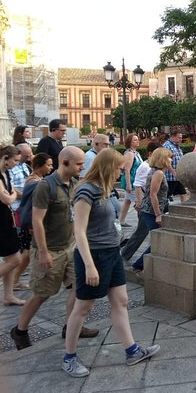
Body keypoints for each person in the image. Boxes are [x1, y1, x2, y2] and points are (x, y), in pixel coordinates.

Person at [63, 148, 159, 377]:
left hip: (111, 252)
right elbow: (79, 231)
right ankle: (69, 357)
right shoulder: (86, 191)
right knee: (84, 307)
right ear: (107, 167)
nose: (120, 173)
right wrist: (88, 265)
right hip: (94, 255)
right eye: (118, 168)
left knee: (121, 300)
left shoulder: (103, 189)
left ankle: (132, 350)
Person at [10, 146, 99, 351]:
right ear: (65, 162)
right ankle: (20, 330)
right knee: (42, 293)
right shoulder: (45, 186)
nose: (82, 167)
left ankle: (71, 326)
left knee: (79, 287)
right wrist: (42, 252)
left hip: (70, 246)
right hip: (50, 249)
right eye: (78, 164)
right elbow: (37, 221)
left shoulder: (75, 184)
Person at [12, 153, 53, 290]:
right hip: (28, 222)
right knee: (26, 254)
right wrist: (31, 225)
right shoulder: (35, 182)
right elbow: (32, 206)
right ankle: (14, 280)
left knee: (27, 253)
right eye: (48, 165)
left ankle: (15, 280)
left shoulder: (36, 179)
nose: (51, 168)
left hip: (27, 221)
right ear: (39, 166)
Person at [131, 148, 172, 273]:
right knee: (158, 240)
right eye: (169, 157)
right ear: (162, 159)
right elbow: (153, 195)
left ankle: (141, 264)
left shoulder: (157, 171)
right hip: (151, 211)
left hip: (149, 210)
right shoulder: (158, 173)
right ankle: (139, 265)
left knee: (158, 238)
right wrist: (158, 215)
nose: (171, 159)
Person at [120, 142, 161, 262]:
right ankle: (128, 255)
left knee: (142, 231)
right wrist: (139, 202)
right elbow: (137, 185)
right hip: (146, 205)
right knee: (141, 232)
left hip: (152, 204)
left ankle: (128, 253)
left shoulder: (154, 166)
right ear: (151, 153)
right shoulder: (146, 166)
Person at [0, 145, 26, 307]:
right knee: (15, 259)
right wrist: (14, 195)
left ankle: (8, 296)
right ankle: (8, 295)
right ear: (5, 159)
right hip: (1, 221)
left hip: (7, 219)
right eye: (14, 160)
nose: (16, 164)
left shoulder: (6, 172)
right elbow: (7, 199)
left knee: (11, 258)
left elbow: (11, 192)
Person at [9, 143, 33, 289]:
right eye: (26, 155)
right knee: (23, 251)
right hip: (17, 210)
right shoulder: (11, 168)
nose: (29, 157)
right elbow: (10, 189)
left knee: (24, 251)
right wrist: (26, 196)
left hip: (24, 207)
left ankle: (14, 281)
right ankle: (14, 281)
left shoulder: (25, 166)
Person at [118, 134, 142, 227]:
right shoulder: (130, 153)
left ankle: (121, 221)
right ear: (130, 142)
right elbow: (127, 169)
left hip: (134, 180)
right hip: (132, 181)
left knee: (127, 201)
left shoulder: (135, 152)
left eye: (137, 139)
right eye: (135, 140)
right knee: (139, 202)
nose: (137, 141)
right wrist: (128, 184)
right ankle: (142, 223)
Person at [163, 129, 189, 203]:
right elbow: (165, 161)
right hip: (170, 177)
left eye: (181, 137)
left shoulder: (177, 146)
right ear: (172, 136)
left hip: (177, 176)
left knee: (183, 193)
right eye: (179, 137)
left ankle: (185, 210)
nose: (181, 139)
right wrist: (173, 172)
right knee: (166, 195)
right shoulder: (167, 146)